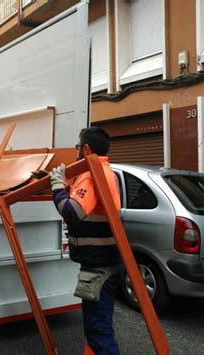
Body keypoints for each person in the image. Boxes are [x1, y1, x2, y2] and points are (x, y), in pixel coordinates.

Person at [48, 127, 124, 355]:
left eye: (78, 147)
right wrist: (69, 185)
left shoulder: (92, 174)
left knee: (98, 332)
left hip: (99, 266)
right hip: (106, 263)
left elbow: (73, 212)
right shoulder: (103, 170)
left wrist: (58, 188)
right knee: (100, 328)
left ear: (86, 149)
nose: (76, 151)